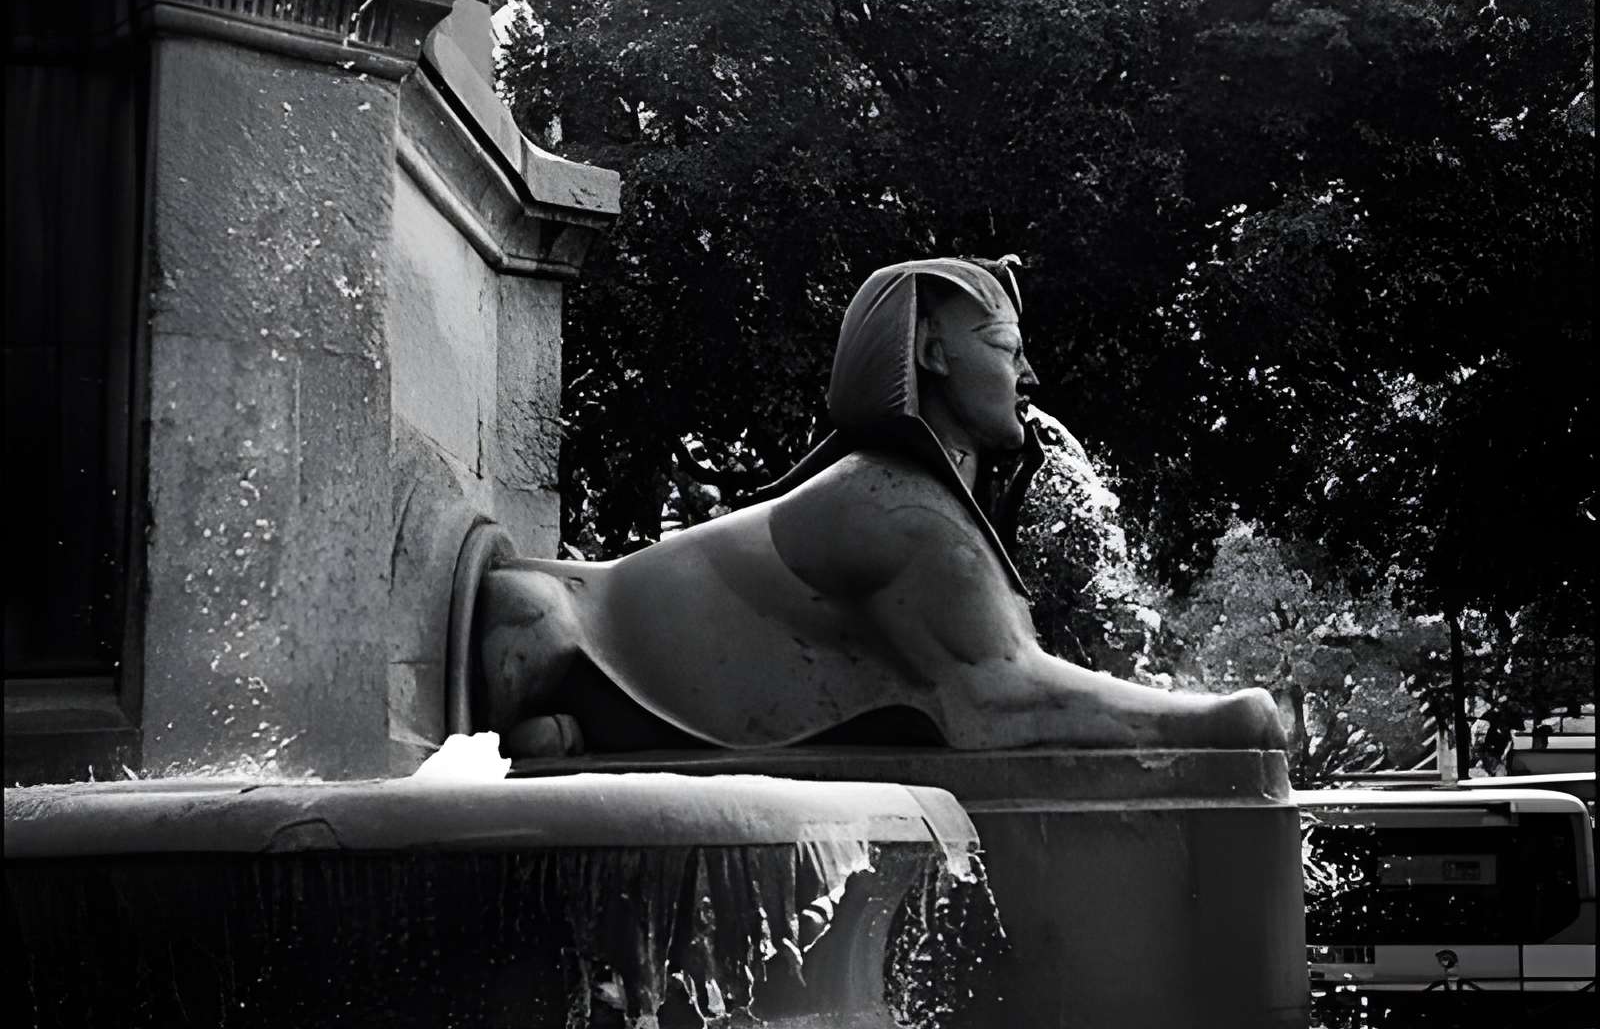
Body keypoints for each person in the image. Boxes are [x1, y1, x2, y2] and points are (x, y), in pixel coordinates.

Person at [477, 257, 1286, 757]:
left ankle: (583, 734)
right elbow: (995, 699)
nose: (1029, 377)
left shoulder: (917, 497)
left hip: (667, 690)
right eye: (1006, 350)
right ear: (932, 352)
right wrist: (1204, 722)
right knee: (527, 618)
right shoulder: (898, 511)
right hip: (567, 624)